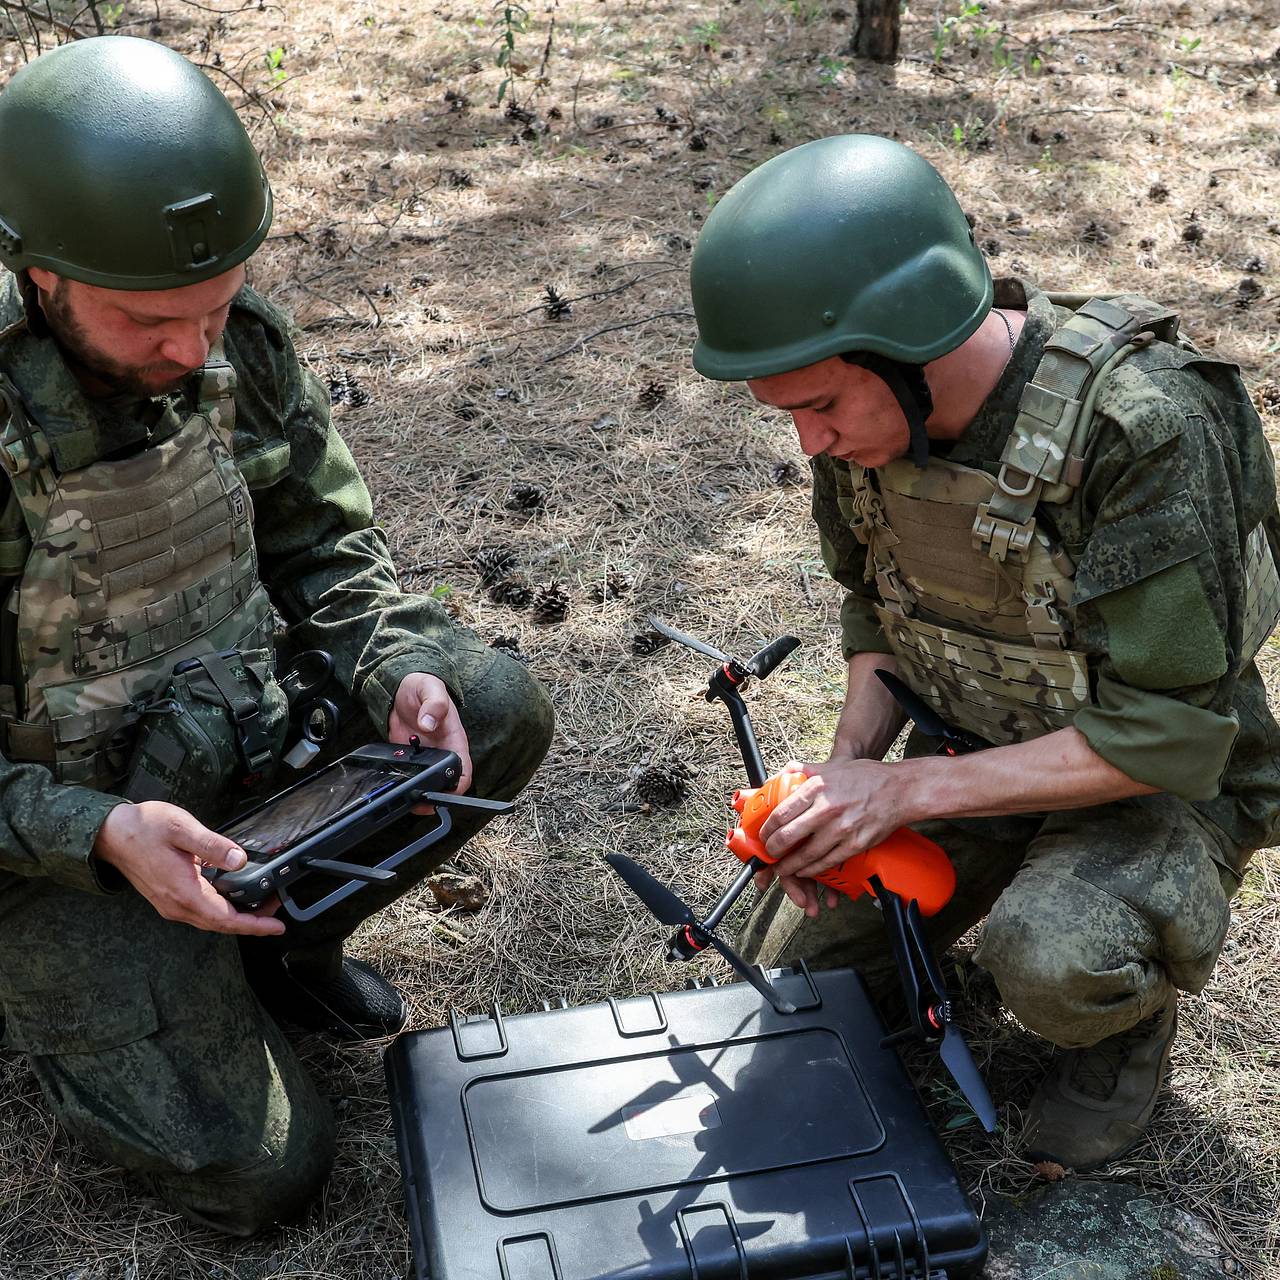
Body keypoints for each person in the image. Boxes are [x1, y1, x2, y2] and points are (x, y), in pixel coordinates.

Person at [0, 37, 553, 1235]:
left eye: (214, 305)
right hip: (53, 839)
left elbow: (322, 543)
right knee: (266, 1173)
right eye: (150, 320)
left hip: (234, 744)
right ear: (39, 274)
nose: (194, 350)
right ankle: (65, 998)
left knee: (488, 706)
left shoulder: (230, 336)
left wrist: (389, 659)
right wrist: (94, 831)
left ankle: (276, 947)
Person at [688, 133, 1280, 1169]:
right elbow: (878, 614)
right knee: (820, 978)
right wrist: (850, 773)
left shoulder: (1140, 427)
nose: (807, 445)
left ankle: (1119, 1020)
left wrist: (902, 799)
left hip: (1154, 777)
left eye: (819, 406)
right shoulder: (873, 433)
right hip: (976, 750)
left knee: (1051, 960)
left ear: (906, 341)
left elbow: (1168, 732)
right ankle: (954, 951)